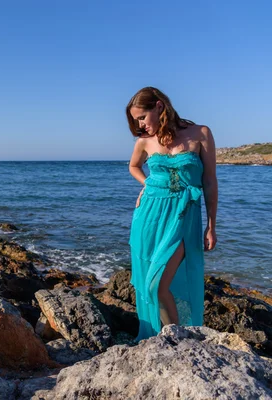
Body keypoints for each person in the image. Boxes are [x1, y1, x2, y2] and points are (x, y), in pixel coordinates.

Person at [126, 87, 218, 340]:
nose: (140, 125)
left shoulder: (200, 133)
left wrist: (211, 225)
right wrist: (147, 184)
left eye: (142, 118)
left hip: (184, 215)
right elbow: (133, 166)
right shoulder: (144, 142)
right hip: (149, 214)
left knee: (157, 284)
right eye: (136, 121)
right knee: (148, 282)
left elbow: (209, 181)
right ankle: (164, 338)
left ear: (158, 106)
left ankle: (177, 341)